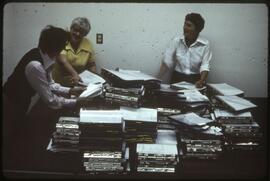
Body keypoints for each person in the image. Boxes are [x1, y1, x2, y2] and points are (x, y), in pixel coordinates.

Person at [2, 25, 88, 169]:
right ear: (56, 46)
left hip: (20, 101)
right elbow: (51, 101)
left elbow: (51, 85)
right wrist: (75, 102)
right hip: (10, 103)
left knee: (15, 136)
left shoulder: (44, 56)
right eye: (62, 45)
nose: (63, 49)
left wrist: (71, 91)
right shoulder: (35, 65)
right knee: (10, 140)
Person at [158, 13, 212, 88]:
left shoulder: (205, 44)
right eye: (184, 24)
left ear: (197, 30)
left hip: (195, 80)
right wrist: (156, 79)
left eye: (189, 25)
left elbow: (205, 65)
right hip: (177, 78)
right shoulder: (176, 40)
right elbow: (167, 61)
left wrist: (201, 80)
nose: (184, 27)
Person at [52, 17, 96, 87]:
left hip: (78, 82)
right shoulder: (63, 39)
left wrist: (93, 78)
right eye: (75, 30)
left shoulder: (88, 43)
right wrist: (75, 74)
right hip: (59, 83)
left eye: (81, 32)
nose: (78, 34)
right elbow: (62, 60)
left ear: (85, 34)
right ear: (71, 28)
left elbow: (91, 64)